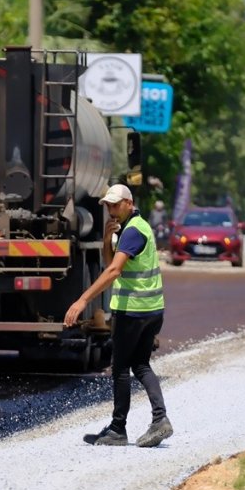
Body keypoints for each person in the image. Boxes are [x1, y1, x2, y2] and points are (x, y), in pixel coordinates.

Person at [64, 184, 172, 448]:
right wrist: (105, 240)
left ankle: (118, 429)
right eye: (108, 206)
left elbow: (114, 271)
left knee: (121, 369)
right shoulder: (133, 227)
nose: (111, 210)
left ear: (129, 202)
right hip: (151, 309)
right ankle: (159, 419)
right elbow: (113, 261)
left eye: (115, 205)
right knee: (141, 365)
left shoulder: (133, 231)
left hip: (133, 311)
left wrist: (82, 300)